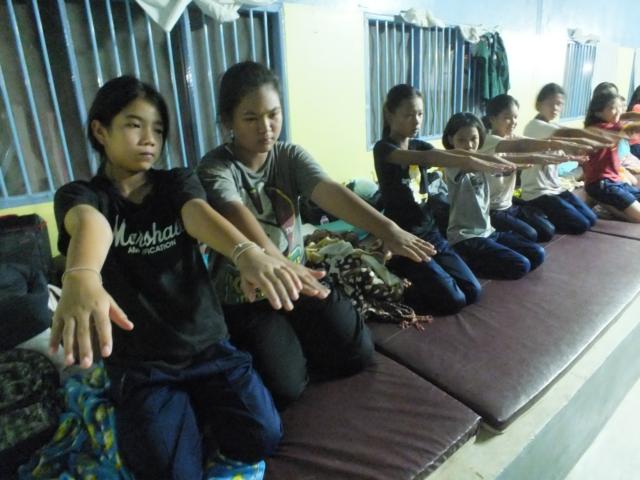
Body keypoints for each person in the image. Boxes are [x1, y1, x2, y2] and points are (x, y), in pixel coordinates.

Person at [50, 75, 297, 479]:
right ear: (100, 130)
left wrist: (245, 252)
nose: (150, 139)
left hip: (208, 347)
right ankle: (179, 415)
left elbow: (196, 214)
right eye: (134, 125)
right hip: (145, 365)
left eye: (158, 129)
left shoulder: (176, 182)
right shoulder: (82, 196)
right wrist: (81, 274)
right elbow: (92, 225)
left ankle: (192, 410)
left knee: (263, 436)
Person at [198, 63, 435, 408]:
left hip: (301, 280)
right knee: (287, 389)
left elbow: (330, 191)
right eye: (251, 118)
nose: (266, 127)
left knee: (358, 352)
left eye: (273, 114)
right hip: (247, 298)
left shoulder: (289, 156)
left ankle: (293, 343)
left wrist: (389, 229)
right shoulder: (215, 168)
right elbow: (235, 213)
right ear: (227, 122)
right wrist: (280, 264)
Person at [371, 84, 520, 314]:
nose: (417, 121)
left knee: (472, 291)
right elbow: (431, 157)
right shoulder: (384, 149)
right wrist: (471, 161)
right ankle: (396, 273)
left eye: (420, 114)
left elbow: (452, 154)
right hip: (404, 238)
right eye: (409, 115)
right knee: (454, 300)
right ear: (390, 115)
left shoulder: (418, 144)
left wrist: (493, 161)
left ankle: (419, 274)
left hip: (431, 233)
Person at [442, 112, 551, 280]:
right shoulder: (452, 163)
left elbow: (493, 161)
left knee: (538, 253)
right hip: (466, 236)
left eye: (473, 139)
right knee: (521, 265)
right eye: (461, 140)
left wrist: (525, 162)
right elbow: (475, 163)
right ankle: (465, 259)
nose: (469, 145)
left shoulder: (482, 159)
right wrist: (505, 164)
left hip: (488, 230)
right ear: (451, 140)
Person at [482, 93, 594, 240]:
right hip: (491, 208)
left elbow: (537, 148)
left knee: (548, 230)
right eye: (507, 117)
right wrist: (556, 144)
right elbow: (525, 146)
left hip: (509, 204)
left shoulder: (511, 137)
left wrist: (571, 157)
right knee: (535, 234)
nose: (513, 122)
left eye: (515, 117)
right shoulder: (489, 141)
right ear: (492, 119)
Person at [520, 83, 606, 233]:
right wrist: (597, 136)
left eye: (559, 104)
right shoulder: (534, 126)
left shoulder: (551, 127)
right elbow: (566, 133)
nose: (555, 108)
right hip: (537, 193)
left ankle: (549, 214)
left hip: (555, 188)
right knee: (581, 225)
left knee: (591, 219)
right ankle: (536, 212)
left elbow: (565, 147)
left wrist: (576, 156)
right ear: (539, 104)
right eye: (550, 104)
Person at [583, 92, 640, 222]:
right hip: (602, 185)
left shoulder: (611, 125)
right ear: (598, 112)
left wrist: (623, 113)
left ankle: (604, 201)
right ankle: (605, 206)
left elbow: (626, 116)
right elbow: (633, 126)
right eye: (613, 108)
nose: (618, 111)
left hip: (615, 181)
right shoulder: (602, 129)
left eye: (619, 107)